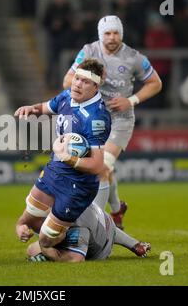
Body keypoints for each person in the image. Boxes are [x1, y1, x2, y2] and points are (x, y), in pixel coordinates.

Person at [63, 15, 162, 229]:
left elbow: (156, 83)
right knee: (105, 170)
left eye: (116, 33)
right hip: (94, 120)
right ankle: (117, 210)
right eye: (107, 33)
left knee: (101, 167)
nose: (112, 37)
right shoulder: (89, 52)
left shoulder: (134, 57)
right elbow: (67, 81)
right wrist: (92, 81)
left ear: (121, 34)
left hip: (120, 120)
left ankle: (96, 225)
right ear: (101, 35)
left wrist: (131, 100)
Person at [15, 58, 111, 261]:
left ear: (95, 86)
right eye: (76, 78)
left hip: (78, 185)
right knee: (28, 220)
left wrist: (69, 159)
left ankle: (52, 248)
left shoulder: (97, 118)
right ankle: (65, 238)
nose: (77, 84)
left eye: (85, 81)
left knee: (46, 240)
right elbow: (46, 107)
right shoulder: (68, 96)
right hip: (54, 171)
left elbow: (96, 165)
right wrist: (31, 109)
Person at [26, 202, 151, 262]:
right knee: (36, 248)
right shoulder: (69, 203)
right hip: (105, 221)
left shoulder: (79, 230)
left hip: (102, 250)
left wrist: (48, 251)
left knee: (34, 250)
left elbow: (76, 259)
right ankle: (135, 244)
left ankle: (134, 244)